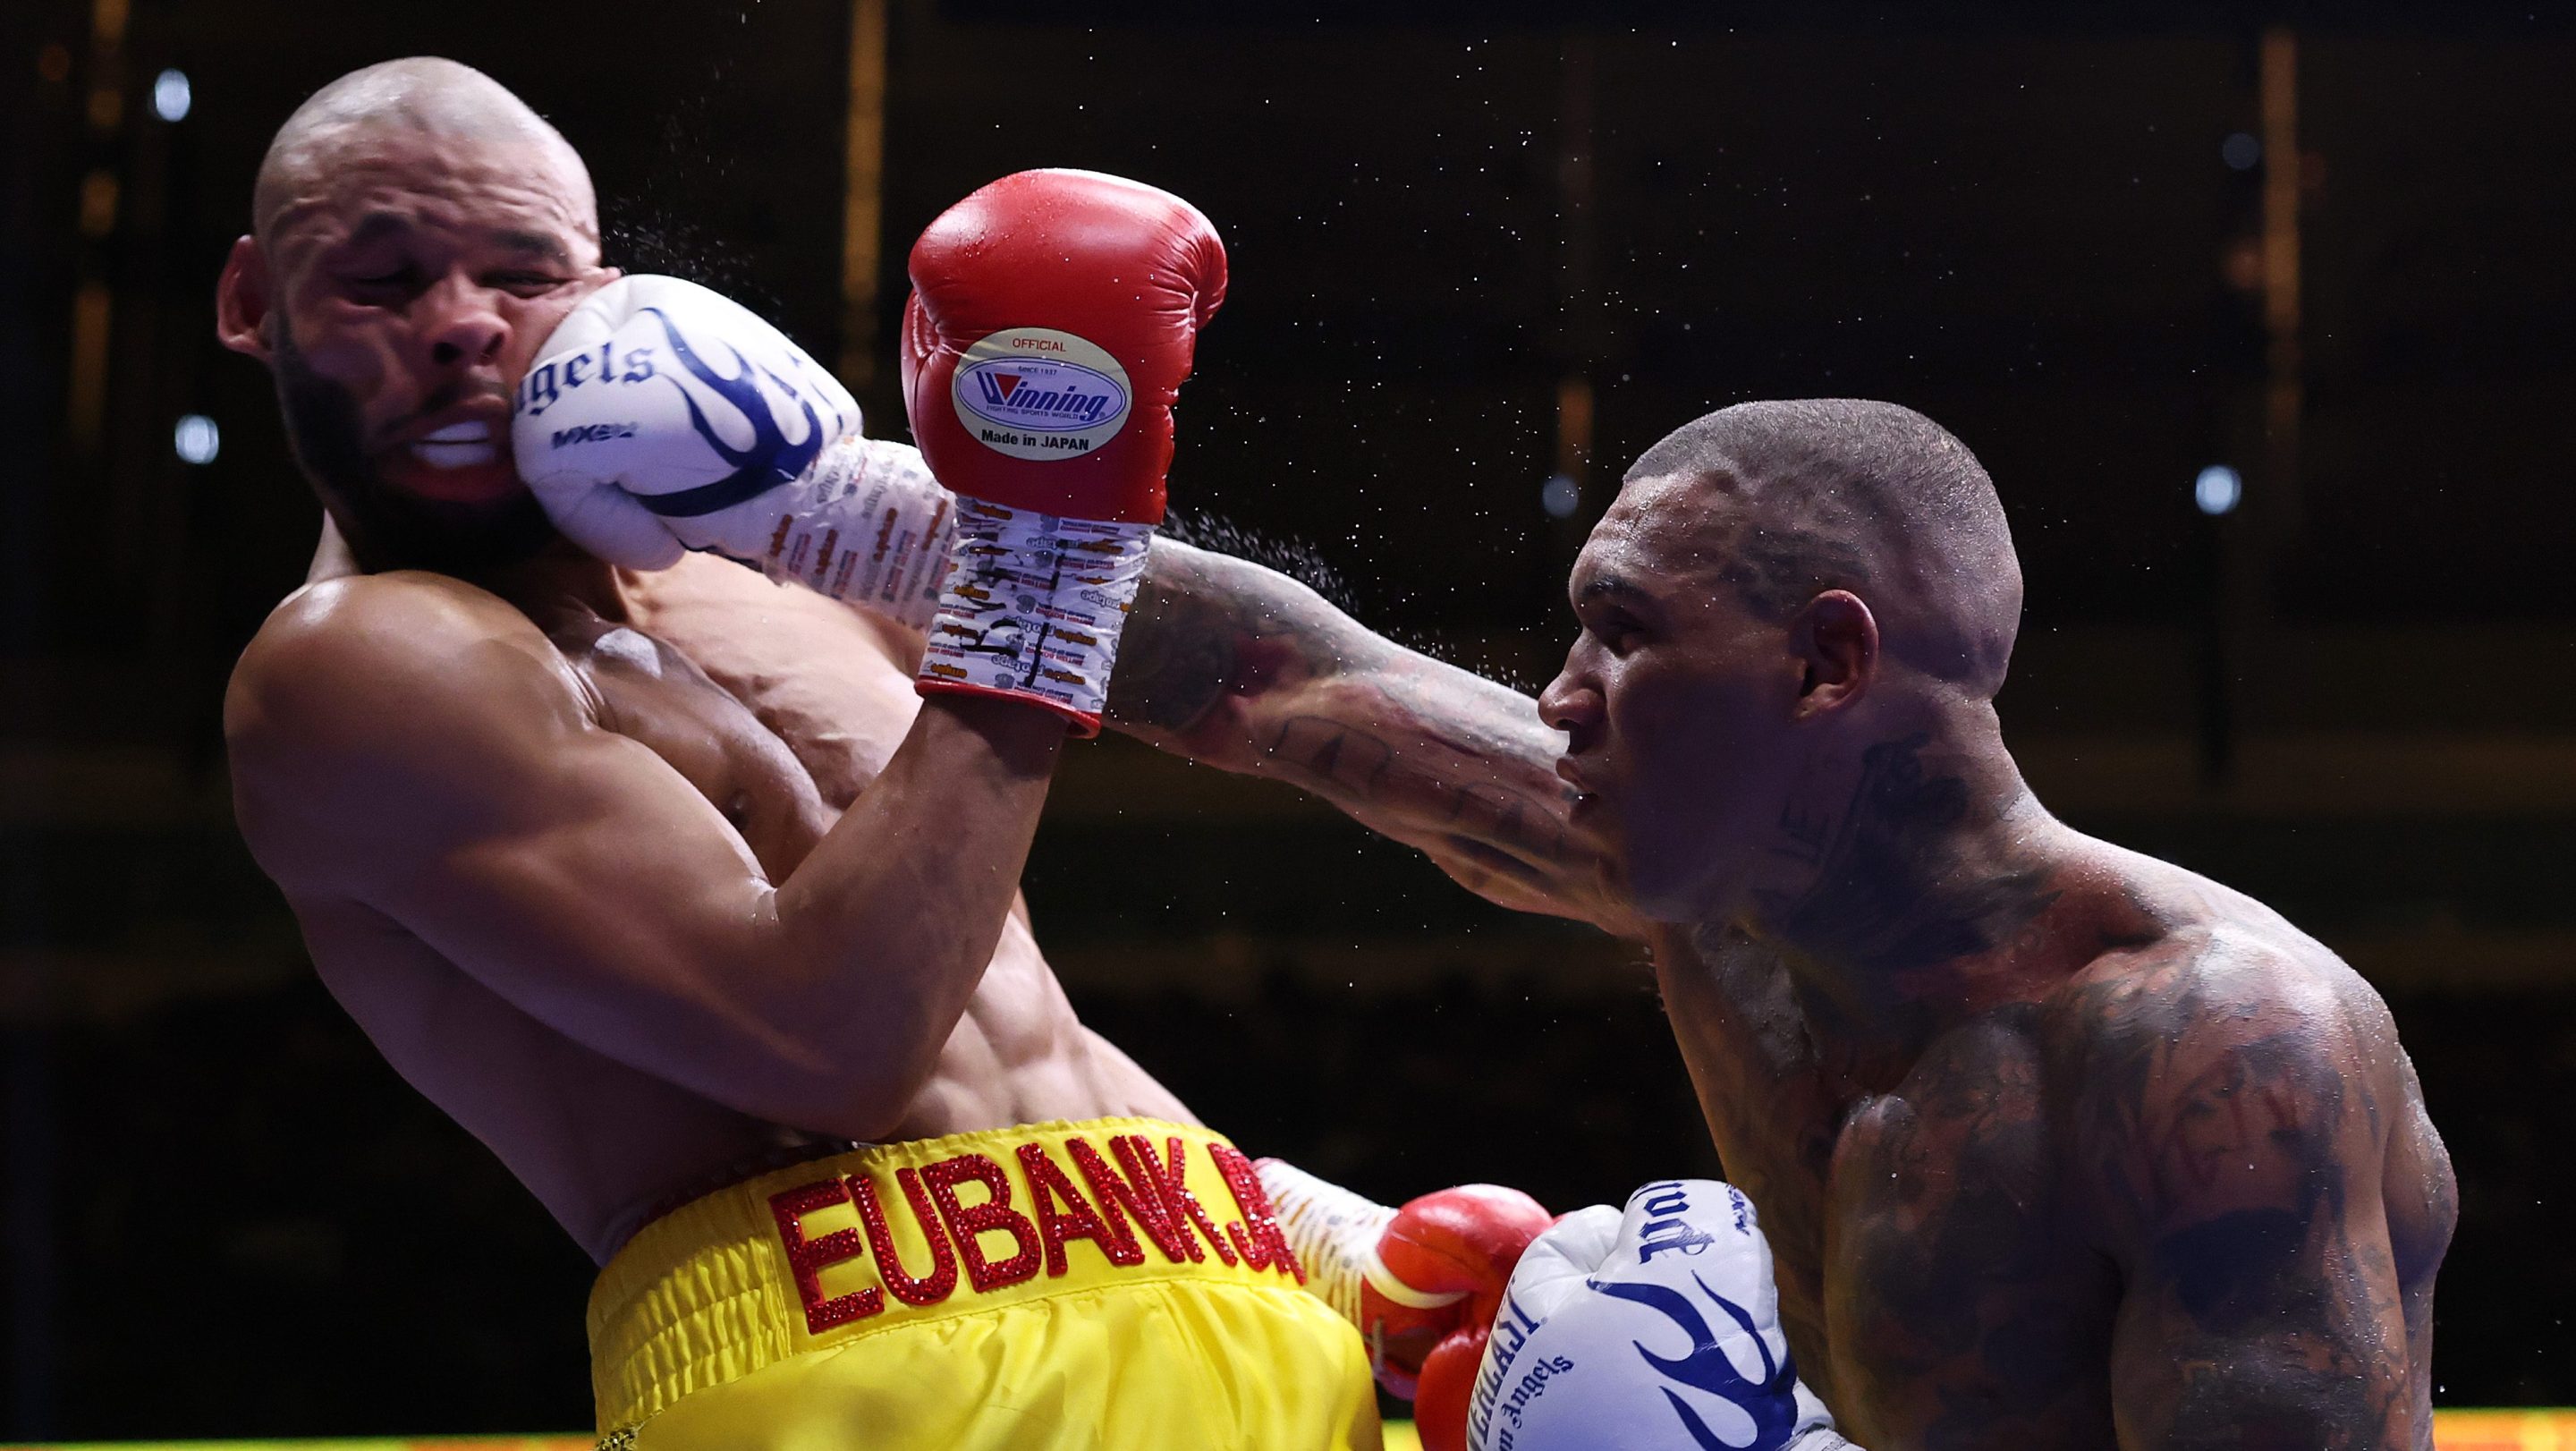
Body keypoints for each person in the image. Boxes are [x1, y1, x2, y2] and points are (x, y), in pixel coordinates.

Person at [214, 56, 1546, 1451]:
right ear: (256, 303)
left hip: (1223, 1277)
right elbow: (832, 1038)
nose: (460, 327)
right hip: (867, 1366)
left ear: (604, 287)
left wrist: (1328, 1235)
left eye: (525, 270)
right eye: (381, 282)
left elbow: (1255, 680)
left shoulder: (788, 550)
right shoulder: (352, 667)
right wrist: (1045, 567)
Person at [1097, 398, 2461, 1449]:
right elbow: (1282, 685)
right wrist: (906, 524)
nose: (1561, 698)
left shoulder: (2218, 1059)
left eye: (1623, 635)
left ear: (1826, 664)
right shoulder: (1727, 898)